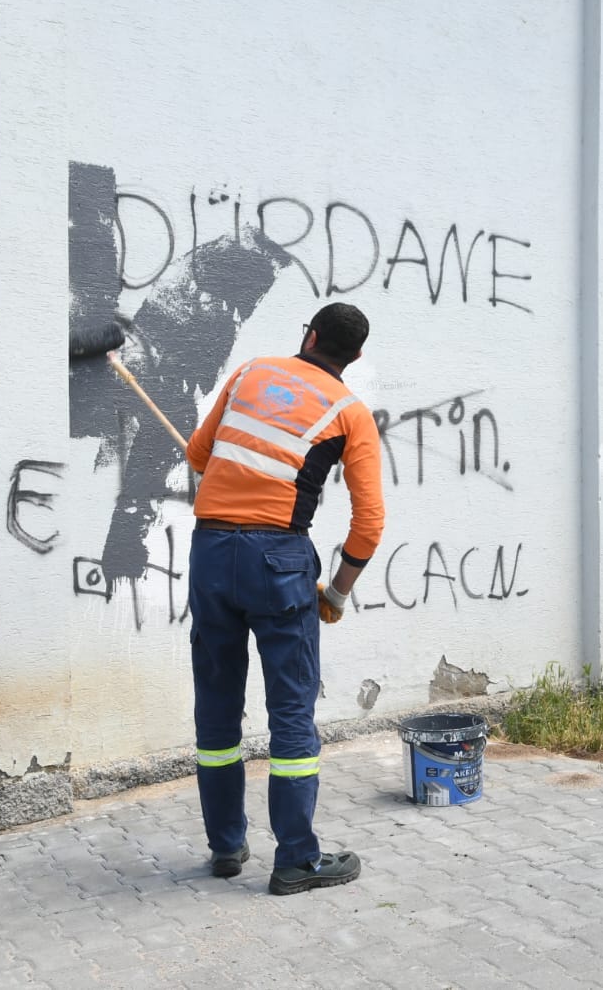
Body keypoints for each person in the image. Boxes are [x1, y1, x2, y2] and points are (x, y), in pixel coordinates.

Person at [183, 302, 384, 895]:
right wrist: (338, 595)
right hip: (279, 561)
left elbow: (198, 455)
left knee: (217, 704)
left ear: (310, 335)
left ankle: (225, 846)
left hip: (212, 552)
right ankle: (295, 858)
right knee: (291, 713)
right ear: (355, 355)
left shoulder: (250, 372)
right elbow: (369, 523)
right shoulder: (350, 413)